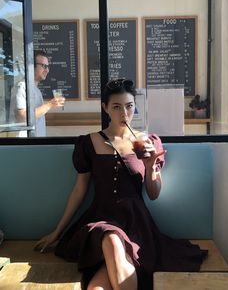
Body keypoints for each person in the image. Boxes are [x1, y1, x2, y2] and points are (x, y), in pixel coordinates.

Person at [35, 79, 207, 290]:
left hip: (136, 222)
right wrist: (57, 231)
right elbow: (80, 190)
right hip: (100, 218)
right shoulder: (88, 142)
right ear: (105, 108)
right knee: (111, 238)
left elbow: (153, 194)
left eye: (129, 106)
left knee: (95, 288)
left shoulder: (148, 142)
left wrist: (151, 165)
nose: (124, 113)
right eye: (116, 107)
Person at [15, 50, 65, 136]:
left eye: (47, 66)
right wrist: (49, 105)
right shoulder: (22, 86)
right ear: (31, 66)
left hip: (35, 144)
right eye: (43, 66)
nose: (47, 70)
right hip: (25, 145)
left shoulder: (36, 90)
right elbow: (22, 118)